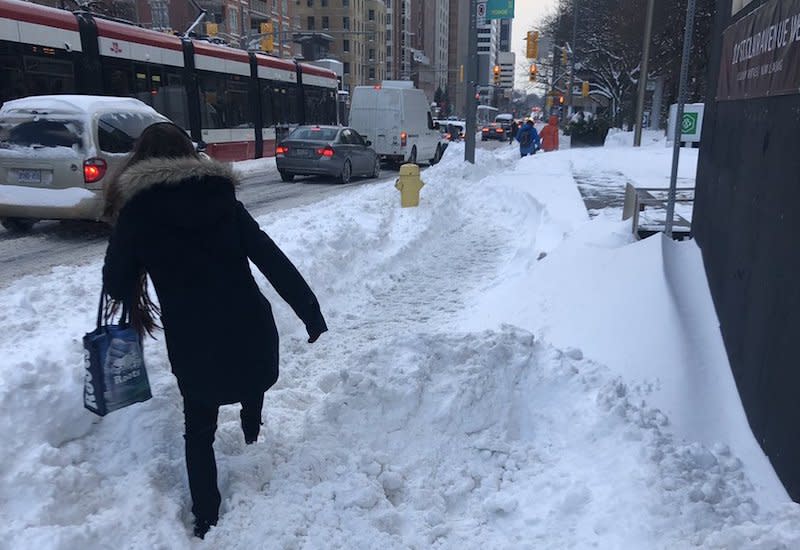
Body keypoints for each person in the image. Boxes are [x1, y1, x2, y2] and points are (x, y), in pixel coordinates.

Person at [102, 122, 327, 539]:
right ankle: (251, 429)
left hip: (193, 342)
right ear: (189, 154)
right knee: (249, 379)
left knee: (199, 431)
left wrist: (128, 243)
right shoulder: (222, 198)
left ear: (141, 160)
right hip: (248, 326)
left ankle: (207, 519)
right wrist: (310, 313)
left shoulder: (137, 213)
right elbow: (270, 258)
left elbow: (116, 285)